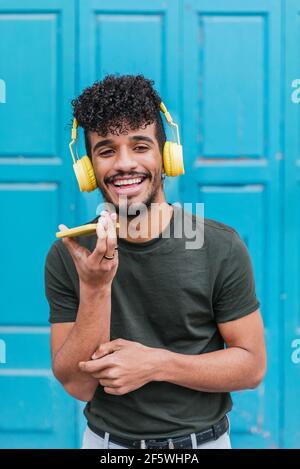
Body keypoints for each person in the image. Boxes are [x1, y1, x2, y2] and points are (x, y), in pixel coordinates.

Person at [44, 74, 266, 450]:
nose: (124, 164)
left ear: (166, 157)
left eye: (140, 146)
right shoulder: (72, 254)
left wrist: (156, 364)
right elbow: (78, 384)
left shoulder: (220, 246)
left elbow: (251, 366)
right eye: (107, 150)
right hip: (108, 446)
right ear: (88, 170)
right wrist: (96, 288)